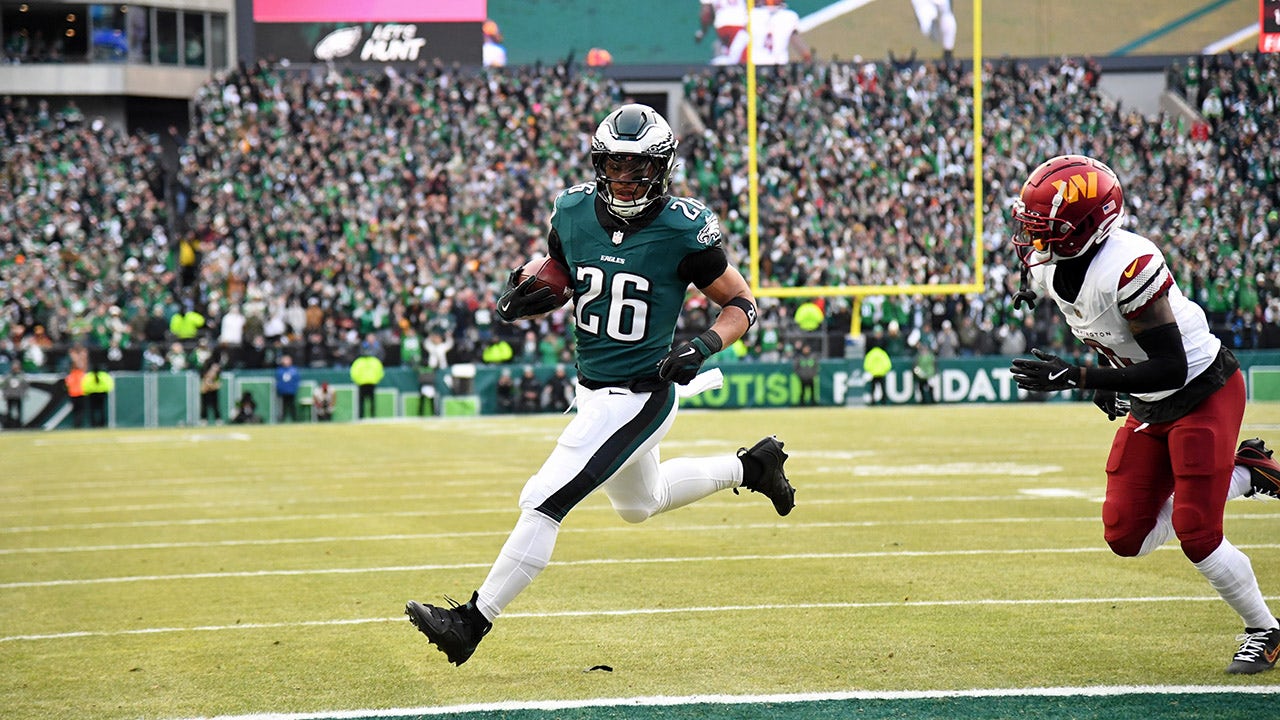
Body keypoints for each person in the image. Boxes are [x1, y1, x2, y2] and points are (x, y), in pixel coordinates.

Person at [406, 103, 796, 667]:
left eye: (638, 167)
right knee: (641, 504)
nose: (624, 178)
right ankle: (753, 468)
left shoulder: (684, 227)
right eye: (614, 165)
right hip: (592, 389)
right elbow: (561, 272)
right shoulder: (571, 211)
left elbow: (741, 301)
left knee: (544, 500)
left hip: (641, 394)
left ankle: (471, 622)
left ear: (662, 169)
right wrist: (526, 291)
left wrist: (704, 344)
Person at [1007, 154, 1280, 674]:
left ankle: (1264, 629)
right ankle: (1245, 472)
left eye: (1044, 229)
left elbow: (1172, 365)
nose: (1032, 239)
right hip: (1150, 400)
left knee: (1197, 533)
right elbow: (1102, 327)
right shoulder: (1053, 267)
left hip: (1201, 390)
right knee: (1124, 533)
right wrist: (1105, 376)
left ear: (1083, 229)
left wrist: (1082, 377)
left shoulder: (1129, 266)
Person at [748, 0, 811, 65]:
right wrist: (807, 57)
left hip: (763, 64)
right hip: (772, 64)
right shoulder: (789, 16)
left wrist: (807, 56)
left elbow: (796, 40)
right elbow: (797, 41)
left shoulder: (751, 14)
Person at [696, 0, 749, 65]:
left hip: (722, 26)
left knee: (734, 57)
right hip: (739, 25)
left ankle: (715, 63)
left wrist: (703, 30)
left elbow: (706, 12)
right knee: (743, 59)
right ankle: (712, 65)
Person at [350, 352, 384, 419]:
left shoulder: (358, 362)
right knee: (371, 401)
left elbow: (353, 372)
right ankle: (372, 416)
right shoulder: (375, 361)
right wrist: (376, 380)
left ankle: (361, 416)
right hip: (371, 382)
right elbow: (380, 372)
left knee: (362, 401)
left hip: (362, 383)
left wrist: (357, 380)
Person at [863, 340, 892, 405]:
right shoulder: (882, 353)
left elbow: (866, 364)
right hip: (881, 373)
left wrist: (870, 371)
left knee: (873, 389)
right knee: (883, 389)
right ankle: (884, 402)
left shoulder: (870, 353)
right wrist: (885, 370)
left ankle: (872, 402)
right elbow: (888, 364)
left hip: (873, 374)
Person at [275, 354, 300, 422]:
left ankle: (295, 419)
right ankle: (282, 419)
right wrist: (279, 389)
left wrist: (294, 388)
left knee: (292, 405)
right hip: (283, 392)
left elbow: (296, 380)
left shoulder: (294, 370)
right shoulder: (280, 370)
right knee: (283, 406)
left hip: (291, 391)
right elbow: (279, 381)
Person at [199, 357, 223, 425]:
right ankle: (204, 419)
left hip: (213, 390)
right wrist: (208, 383)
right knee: (204, 406)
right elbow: (204, 381)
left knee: (215, 405)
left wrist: (212, 385)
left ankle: (218, 419)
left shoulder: (217, 375)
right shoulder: (204, 371)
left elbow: (218, 384)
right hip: (205, 390)